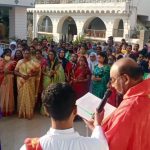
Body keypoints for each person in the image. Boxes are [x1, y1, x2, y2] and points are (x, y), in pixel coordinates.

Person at [20, 83, 109, 150]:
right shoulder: (93, 146)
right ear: (75, 111)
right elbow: (102, 143)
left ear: (46, 110)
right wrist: (97, 125)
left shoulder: (30, 147)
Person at [102, 58, 150, 150]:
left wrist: (97, 128)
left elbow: (109, 146)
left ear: (126, 79)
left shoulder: (128, 109)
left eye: (112, 80)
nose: (111, 85)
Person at [14, 48, 41, 119]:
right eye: (25, 53)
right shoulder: (19, 62)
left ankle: (29, 112)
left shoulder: (34, 62)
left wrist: (30, 75)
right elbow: (15, 71)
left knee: (30, 96)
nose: (26, 54)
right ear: (23, 54)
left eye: (28, 53)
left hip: (30, 82)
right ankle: (21, 112)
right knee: (21, 97)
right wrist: (22, 75)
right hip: (21, 82)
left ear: (30, 54)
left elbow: (38, 72)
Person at [0, 49, 17, 116]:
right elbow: (2, 70)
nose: (8, 55)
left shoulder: (13, 62)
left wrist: (9, 72)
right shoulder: (1, 61)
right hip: (2, 79)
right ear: (4, 54)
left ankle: (8, 110)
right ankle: (2, 110)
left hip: (9, 80)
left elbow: (15, 71)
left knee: (9, 94)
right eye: (7, 54)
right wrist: (5, 71)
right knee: (2, 94)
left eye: (9, 54)